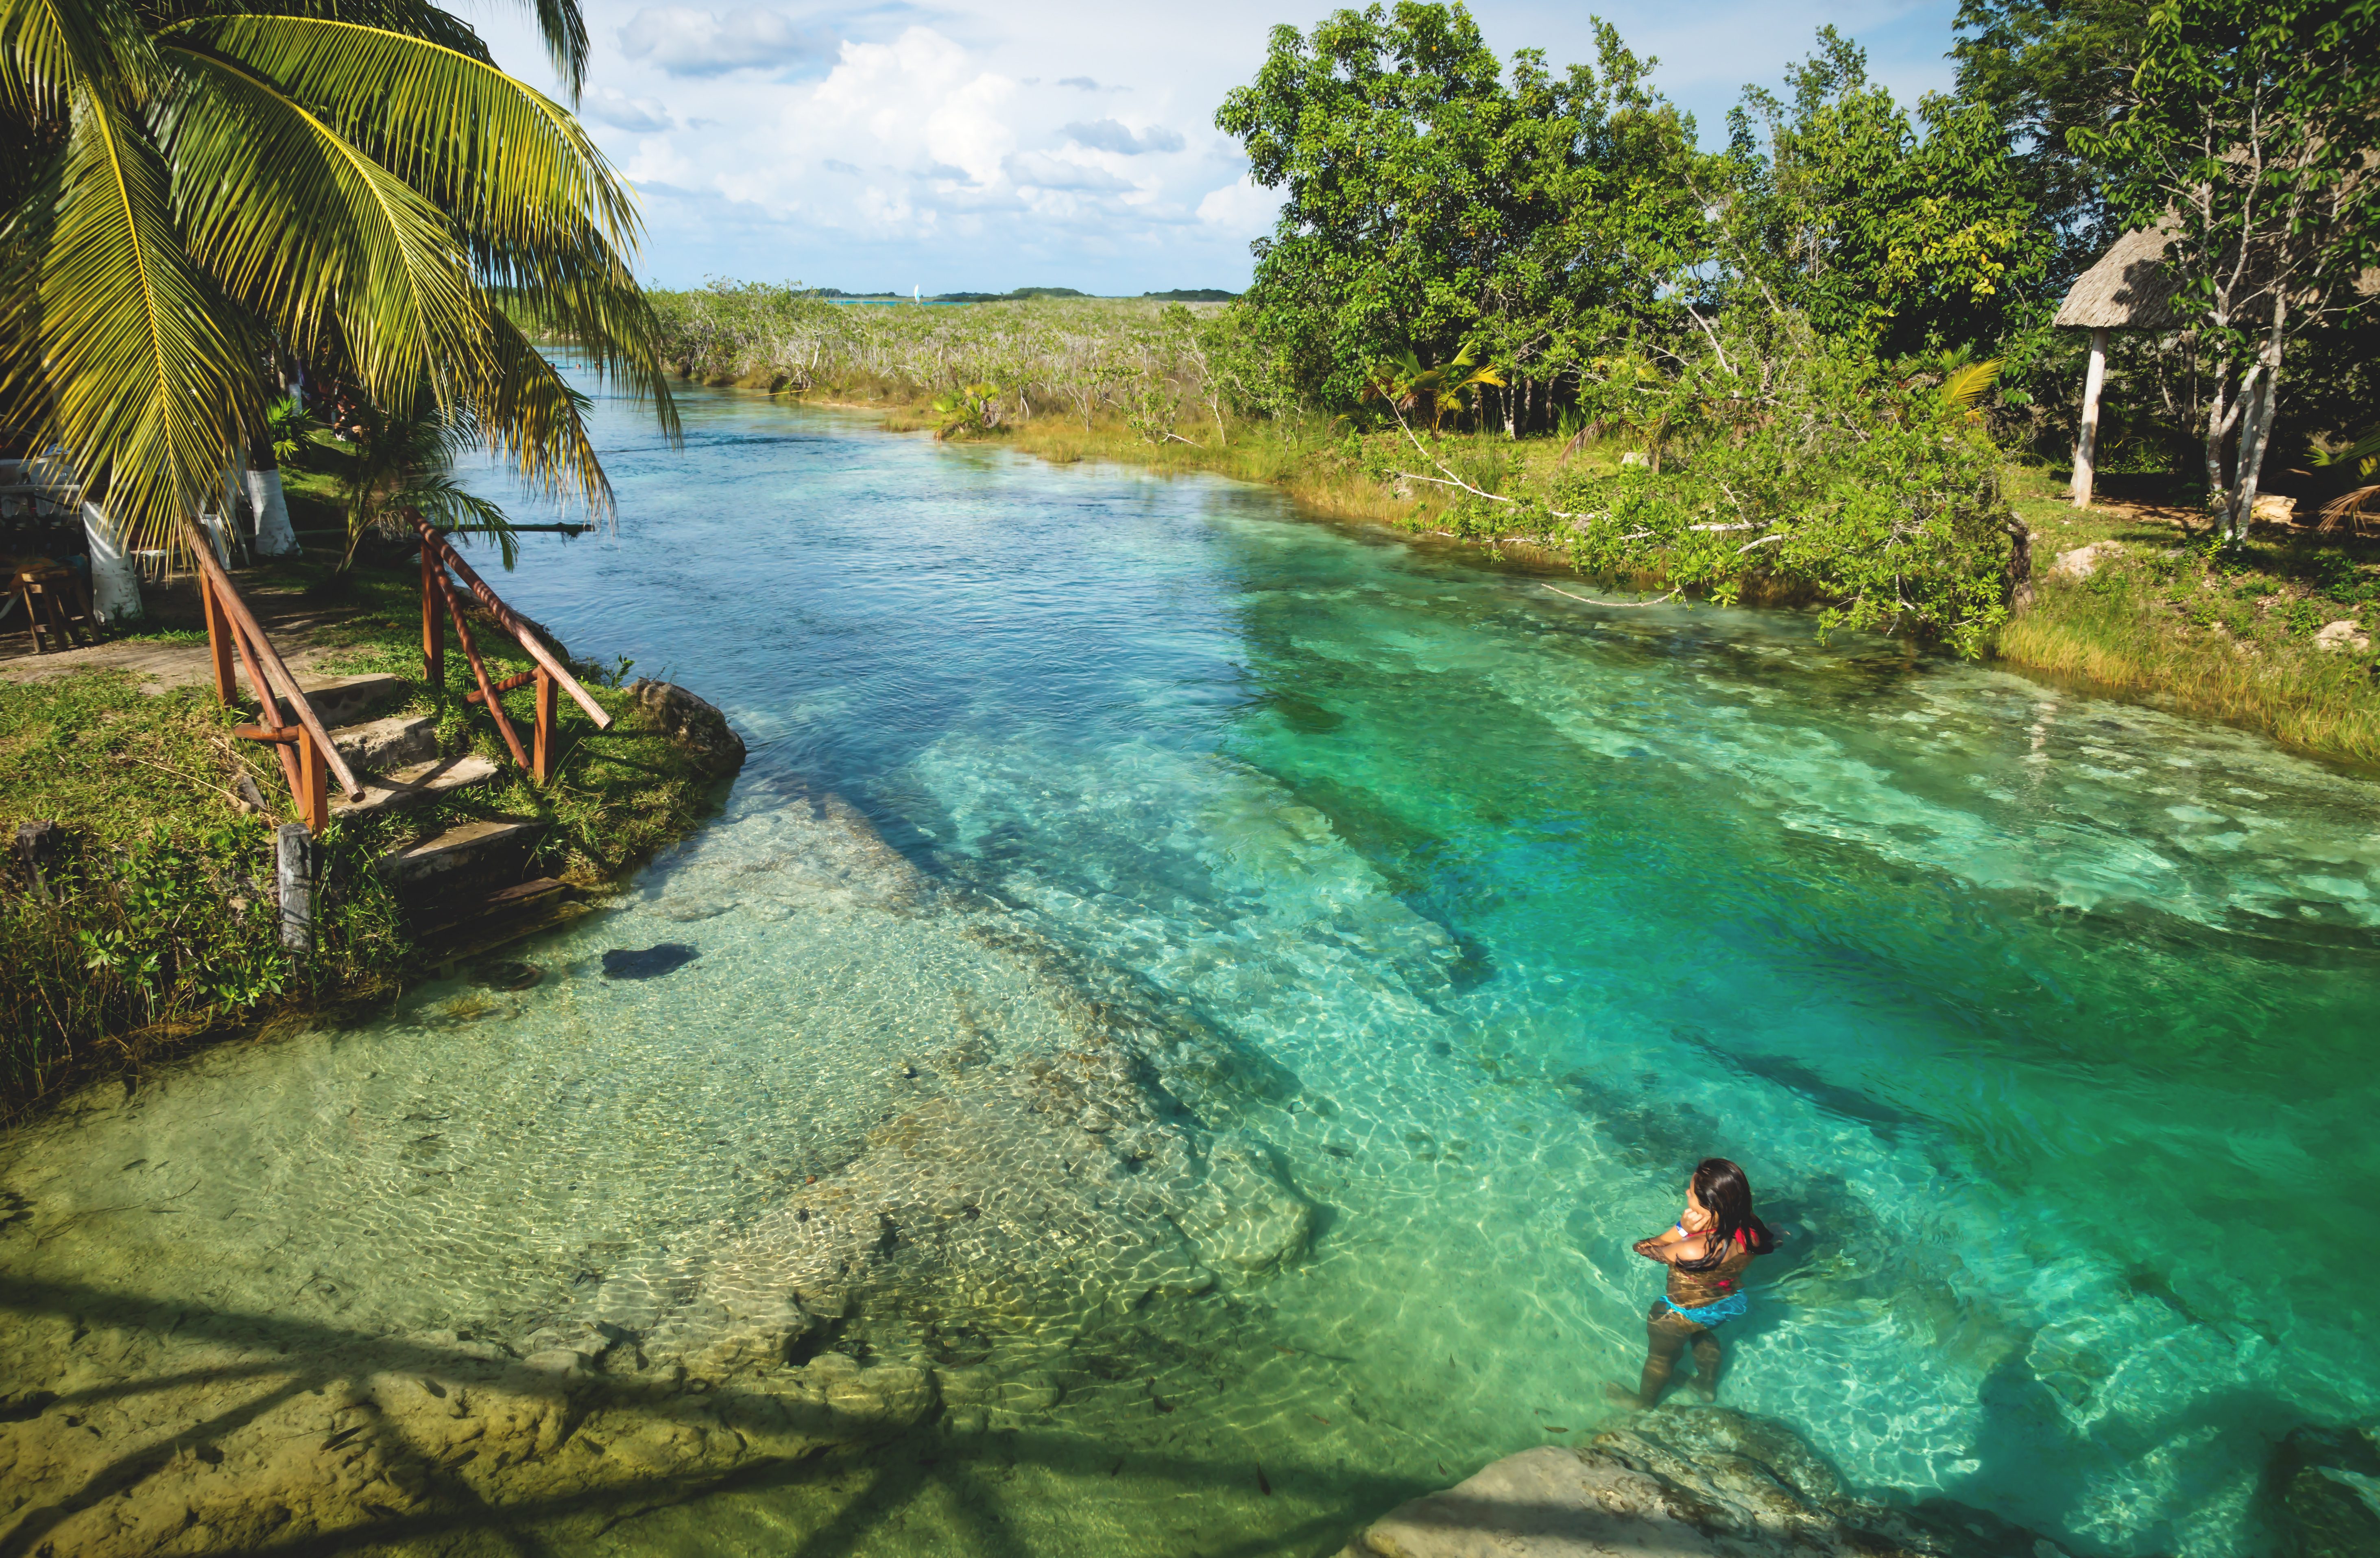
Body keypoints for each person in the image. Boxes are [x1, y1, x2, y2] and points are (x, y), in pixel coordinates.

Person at [1607, 1157, 1776, 1409]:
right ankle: (1706, 1386)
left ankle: (1644, 1403)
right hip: (1726, 1303)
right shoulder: (1751, 1229)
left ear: (1709, 1207)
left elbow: (1644, 1248)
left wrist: (1682, 1229)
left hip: (1681, 1312)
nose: (1687, 1192)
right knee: (1702, 1334)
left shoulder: (1693, 1249)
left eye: (1692, 1192)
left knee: (1660, 1358)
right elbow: (1773, 1241)